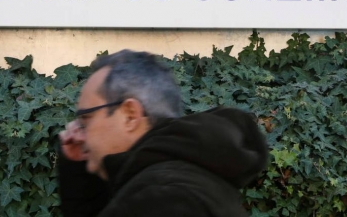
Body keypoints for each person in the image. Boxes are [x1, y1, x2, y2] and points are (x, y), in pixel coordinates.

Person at [58, 49, 269, 217]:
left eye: (86, 118)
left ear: (130, 115)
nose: (79, 132)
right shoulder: (175, 182)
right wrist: (79, 172)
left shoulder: (161, 198)